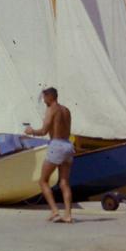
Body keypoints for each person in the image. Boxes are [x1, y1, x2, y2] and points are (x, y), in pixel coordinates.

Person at [25, 87, 74, 224]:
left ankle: (55, 211)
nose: (43, 100)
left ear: (50, 97)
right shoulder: (66, 110)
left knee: (43, 181)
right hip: (68, 145)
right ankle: (68, 215)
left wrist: (31, 131)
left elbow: (44, 131)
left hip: (57, 145)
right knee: (64, 182)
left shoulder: (52, 109)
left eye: (44, 98)